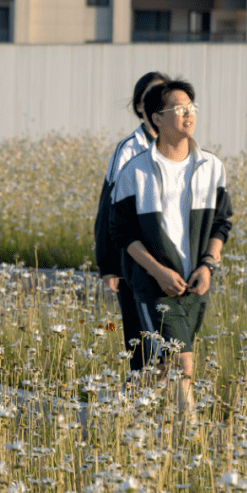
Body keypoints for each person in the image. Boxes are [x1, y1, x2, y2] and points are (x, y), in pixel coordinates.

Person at [110, 79, 233, 412]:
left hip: (195, 283)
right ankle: (191, 440)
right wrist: (158, 271)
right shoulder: (135, 172)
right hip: (154, 284)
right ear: (157, 118)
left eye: (191, 107)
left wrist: (208, 265)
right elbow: (122, 233)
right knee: (183, 362)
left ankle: (119, 407)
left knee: (164, 368)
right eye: (179, 109)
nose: (188, 114)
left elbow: (222, 223)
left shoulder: (211, 167)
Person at [94, 71, 169, 376]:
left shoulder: (180, 148)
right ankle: (140, 414)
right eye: (149, 98)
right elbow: (109, 209)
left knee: (172, 346)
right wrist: (109, 266)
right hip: (135, 261)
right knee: (143, 347)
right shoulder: (130, 149)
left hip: (172, 263)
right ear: (140, 107)